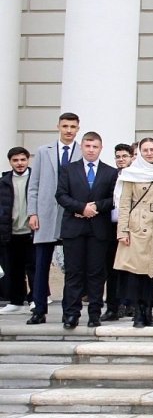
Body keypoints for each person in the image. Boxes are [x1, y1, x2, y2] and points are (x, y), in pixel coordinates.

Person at [54, 131, 117, 329]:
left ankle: (94, 314)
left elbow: (113, 199)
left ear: (101, 148)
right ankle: (71, 314)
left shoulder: (110, 172)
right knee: (73, 273)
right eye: (87, 146)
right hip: (74, 228)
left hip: (99, 230)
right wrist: (81, 208)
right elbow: (61, 195)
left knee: (96, 273)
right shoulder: (68, 169)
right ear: (81, 147)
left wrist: (95, 207)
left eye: (95, 147)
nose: (91, 150)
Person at [25, 112, 80, 325]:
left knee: (72, 268)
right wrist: (32, 213)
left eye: (72, 127)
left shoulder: (81, 151)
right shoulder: (43, 151)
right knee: (41, 265)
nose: (68, 130)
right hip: (45, 215)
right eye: (65, 126)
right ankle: (39, 309)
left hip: (71, 217)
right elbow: (34, 185)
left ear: (78, 128)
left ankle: (69, 310)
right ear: (58, 126)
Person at [113, 137, 153, 327]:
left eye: (152, 149)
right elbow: (124, 204)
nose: (149, 153)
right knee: (136, 273)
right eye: (145, 150)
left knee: (152, 274)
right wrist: (122, 231)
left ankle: (149, 311)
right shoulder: (131, 173)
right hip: (136, 226)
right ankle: (138, 313)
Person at [102, 142, 136, 322]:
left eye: (124, 156)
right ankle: (113, 306)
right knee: (112, 268)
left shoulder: (137, 176)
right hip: (111, 227)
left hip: (132, 227)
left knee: (131, 268)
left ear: (132, 158)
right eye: (118, 157)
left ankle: (131, 304)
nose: (121, 159)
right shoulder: (110, 176)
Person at [0, 148, 34, 314]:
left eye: (22, 159)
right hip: (11, 232)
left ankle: (35, 299)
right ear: (10, 162)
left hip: (32, 231)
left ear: (28, 160)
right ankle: (16, 301)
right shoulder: (4, 182)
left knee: (34, 268)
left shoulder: (35, 178)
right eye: (15, 160)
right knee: (14, 269)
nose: (19, 163)